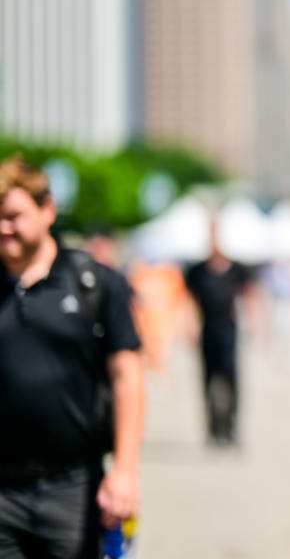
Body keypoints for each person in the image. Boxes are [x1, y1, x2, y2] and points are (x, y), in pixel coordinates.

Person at [0, 156, 144, 558]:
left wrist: (125, 471)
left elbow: (127, 376)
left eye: (13, 216)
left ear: (47, 209)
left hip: (73, 487)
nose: (3, 228)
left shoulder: (94, 284)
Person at [184, 225, 252, 446]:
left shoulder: (236, 269)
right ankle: (213, 428)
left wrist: (254, 322)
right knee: (208, 380)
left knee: (231, 380)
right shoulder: (198, 271)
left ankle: (231, 426)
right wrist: (190, 325)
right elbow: (188, 299)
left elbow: (250, 295)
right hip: (207, 330)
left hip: (229, 331)